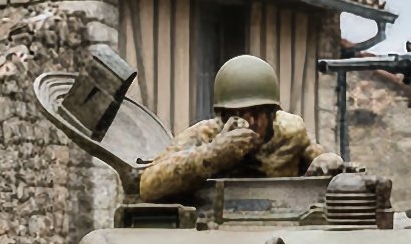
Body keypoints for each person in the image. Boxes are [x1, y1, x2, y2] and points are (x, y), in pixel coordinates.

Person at [138, 55, 343, 201]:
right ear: (223, 115)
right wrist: (212, 154)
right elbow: (148, 185)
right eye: (238, 115)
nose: (250, 123)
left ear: (272, 113)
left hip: (281, 218)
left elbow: (320, 158)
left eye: (256, 113)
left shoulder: (291, 132)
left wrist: (327, 161)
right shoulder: (205, 134)